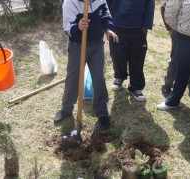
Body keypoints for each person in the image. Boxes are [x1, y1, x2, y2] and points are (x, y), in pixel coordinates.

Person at [54, 0, 119, 129]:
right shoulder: (70, 3)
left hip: (97, 45)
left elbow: (105, 14)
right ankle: (66, 110)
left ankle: (102, 112)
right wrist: (78, 27)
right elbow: (68, 27)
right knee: (73, 78)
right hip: (77, 45)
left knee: (98, 78)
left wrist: (108, 29)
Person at [107, 0, 155, 101]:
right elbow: (106, 4)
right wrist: (108, 25)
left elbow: (150, 4)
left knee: (137, 57)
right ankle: (119, 76)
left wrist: (145, 26)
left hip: (138, 27)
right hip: (116, 25)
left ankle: (136, 86)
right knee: (117, 53)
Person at [160, 2, 190, 100]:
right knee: (176, 59)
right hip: (179, 32)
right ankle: (167, 85)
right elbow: (164, 7)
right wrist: (170, 29)